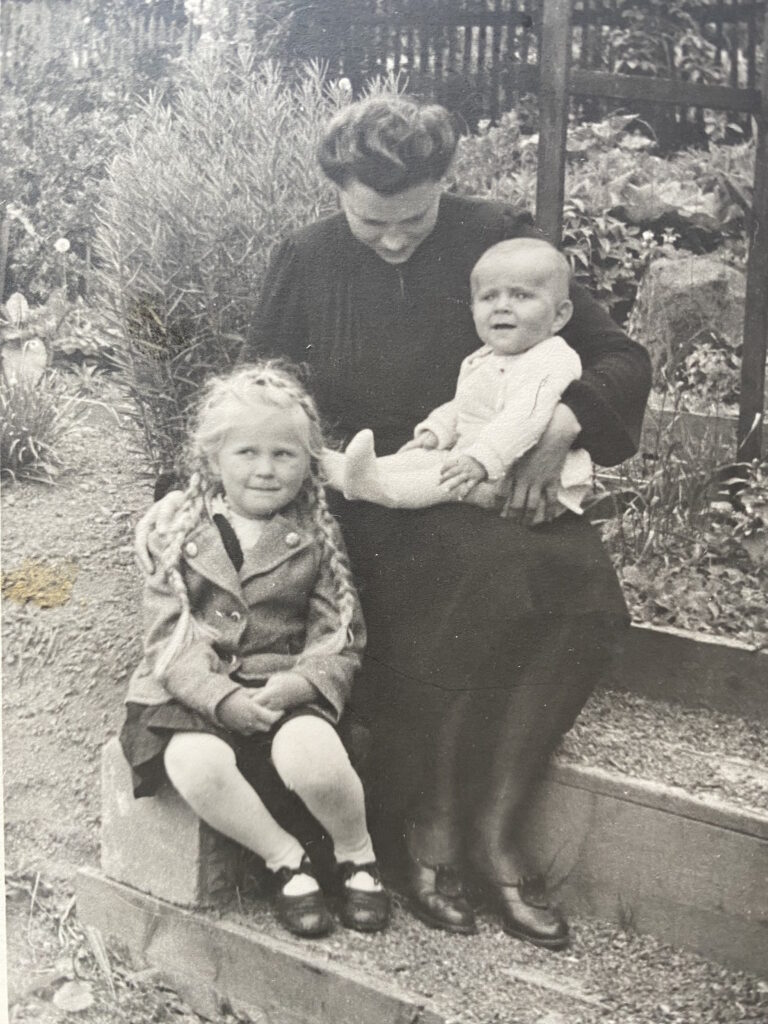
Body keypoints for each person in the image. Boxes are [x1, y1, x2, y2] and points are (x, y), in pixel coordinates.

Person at [137, 96, 651, 950]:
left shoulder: (493, 232)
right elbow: (255, 389)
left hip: (481, 473)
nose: (395, 238)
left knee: (585, 590)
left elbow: (615, 353)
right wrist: (188, 488)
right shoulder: (305, 256)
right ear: (337, 190)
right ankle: (430, 829)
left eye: (414, 215)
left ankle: (496, 829)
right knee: (473, 579)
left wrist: (558, 427)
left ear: (445, 183)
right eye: (370, 219)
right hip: (362, 495)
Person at [121, 362, 390, 939]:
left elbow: (339, 632)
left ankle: (356, 852)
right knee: (194, 763)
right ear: (213, 459)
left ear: (308, 462)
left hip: (281, 681)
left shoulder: (316, 535)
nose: (266, 470)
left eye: (284, 455)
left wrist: (304, 683)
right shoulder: (179, 531)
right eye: (247, 453)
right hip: (190, 688)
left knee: (311, 755)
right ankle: (285, 861)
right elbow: (169, 635)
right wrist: (219, 698)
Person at [322, 237, 592, 515]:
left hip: (521, 479)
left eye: (521, 295)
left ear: (559, 316)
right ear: (473, 309)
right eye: (488, 297)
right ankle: (343, 472)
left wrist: (483, 458)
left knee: (440, 479)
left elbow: (526, 416)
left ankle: (383, 491)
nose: (502, 306)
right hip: (478, 460)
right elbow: (463, 405)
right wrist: (436, 430)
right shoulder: (485, 357)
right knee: (421, 457)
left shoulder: (553, 358)